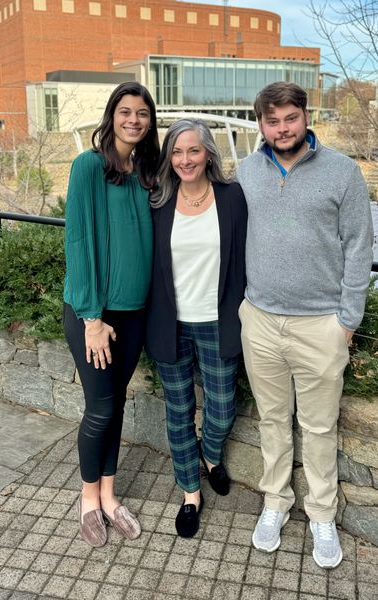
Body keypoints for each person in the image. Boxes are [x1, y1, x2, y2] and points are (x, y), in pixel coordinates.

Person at [237, 82, 373, 568]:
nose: (282, 129)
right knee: (272, 421)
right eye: (272, 121)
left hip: (321, 325)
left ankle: (322, 515)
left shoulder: (343, 172)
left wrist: (347, 322)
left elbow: (359, 247)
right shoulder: (247, 171)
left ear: (305, 116)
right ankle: (275, 503)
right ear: (261, 124)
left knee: (318, 427)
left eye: (289, 118)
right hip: (261, 320)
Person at [63, 82, 160, 547]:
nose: (134, 120)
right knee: (100, 407)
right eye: (126, 111)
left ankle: (109, 493)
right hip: (95, 314)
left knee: (116, 401)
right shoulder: (89, 166)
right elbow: (78, 242)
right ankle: (86, 498)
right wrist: (91, 318)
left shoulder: (148, 172)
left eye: (142, 113)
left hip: (135, 313)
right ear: (112, 115)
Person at [146, 119, 247, 538]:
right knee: (179, 411)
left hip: (219, 320)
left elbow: (245, 257)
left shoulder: (232, 197)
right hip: (170, 322)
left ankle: (210, 454)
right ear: (169, 157)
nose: (185, 159)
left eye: (193, 150)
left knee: (222, 408)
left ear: (208, 152)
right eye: (176, 151)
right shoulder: (157, 202)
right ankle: (190, 492)